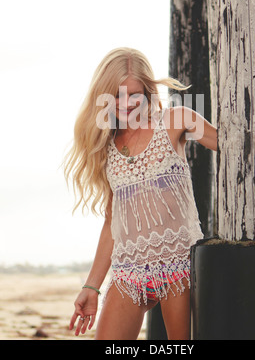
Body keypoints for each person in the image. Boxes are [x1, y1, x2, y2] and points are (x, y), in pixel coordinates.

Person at [64, 47, 217, 340]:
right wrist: (91, 287)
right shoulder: (106, 144)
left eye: (134, 94)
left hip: (178, 264)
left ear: (148, 92)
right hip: (129, 271)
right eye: (118, 95)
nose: (126, 103)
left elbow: (231, 143)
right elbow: (112, 222)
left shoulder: (175, 120)